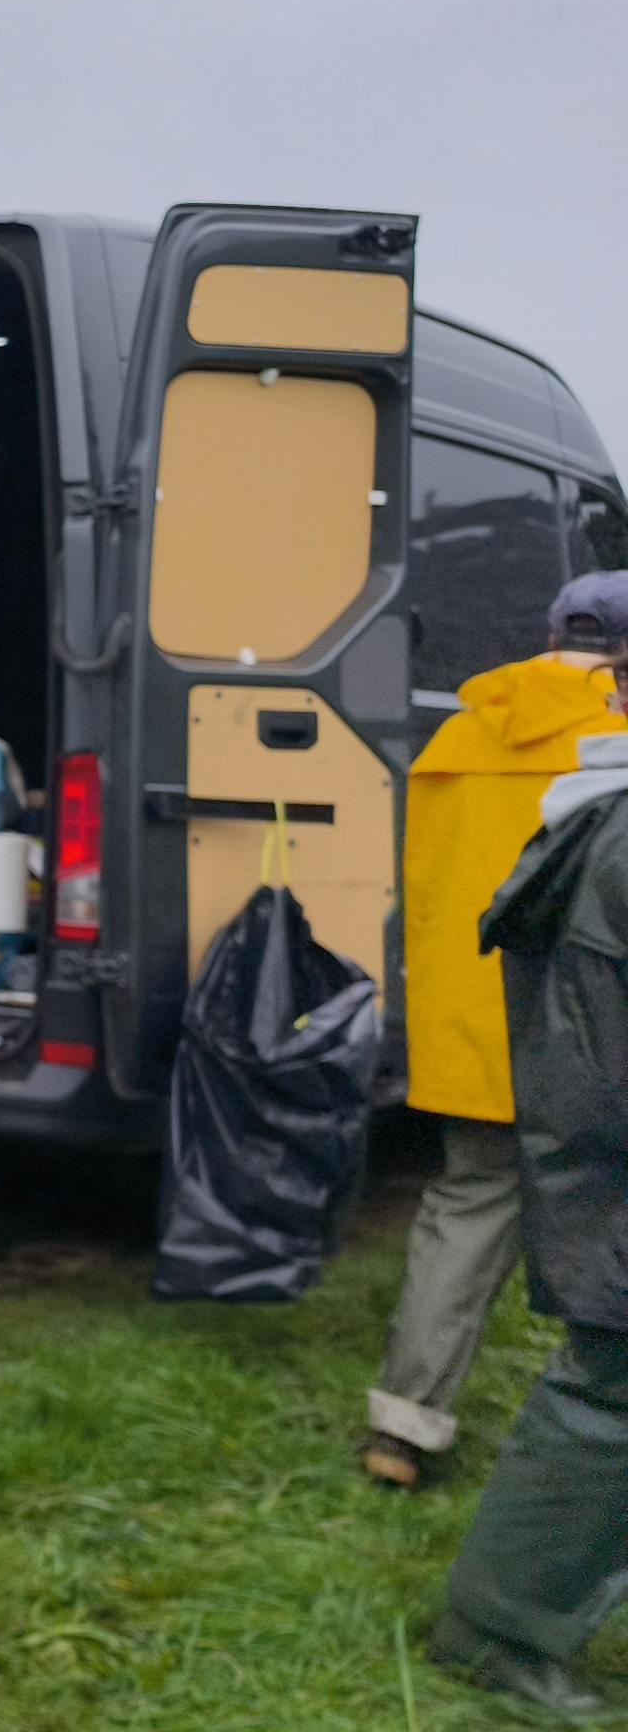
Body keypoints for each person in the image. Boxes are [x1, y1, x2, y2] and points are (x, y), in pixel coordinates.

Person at [362, 576, 628, 1490]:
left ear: (551, 633)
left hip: (477, 1030)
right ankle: (591, 1452)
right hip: (598, 1039)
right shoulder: (616, 744)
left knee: (468, 1210)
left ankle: (402, 1426)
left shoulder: (456, 736)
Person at [424, 692, 628, 1719]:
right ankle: (497, 1627)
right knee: (610, 1399)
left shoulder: (600, 804)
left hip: (595, 1155)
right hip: (611, 1166)